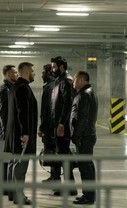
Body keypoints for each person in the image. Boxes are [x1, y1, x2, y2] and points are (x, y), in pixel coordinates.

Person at [4, 62, 37, 205]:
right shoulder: (23, 88)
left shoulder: (14, 87)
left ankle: (13, 194)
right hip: (21, 134)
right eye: (32, 71)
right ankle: (19, 196)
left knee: (13, 163)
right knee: (20, 165)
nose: (34, 74)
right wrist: (25, 133)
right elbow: (22, 111)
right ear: (26, 73)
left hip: (12, 133)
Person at [50, 56, 77, 196]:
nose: (52, 69)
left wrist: (61, 124)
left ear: (61, 67)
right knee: (62, 156)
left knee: (64, 156)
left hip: (62, 127)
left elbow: (68, 104)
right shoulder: (58, 81)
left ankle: (70, 188)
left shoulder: (66, 81)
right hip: (57, 126)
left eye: (54, 67)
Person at [70, 71, 98, 205]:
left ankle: (88, 197)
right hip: (88, 135)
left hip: (84, 136)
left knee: (85, 167)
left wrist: (76, 135)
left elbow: (82, 119)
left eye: (75, 79)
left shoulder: (84, 95)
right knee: (88, 166)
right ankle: (89, 194)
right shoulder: (88, 92)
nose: (73, 81)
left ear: (81, 80)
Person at [0, 65, 18, 194]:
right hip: (4, 131)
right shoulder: (4, 91)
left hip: (5, 130)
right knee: (2, 158)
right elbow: (2, 114)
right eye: (15, 73)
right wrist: (4, 133)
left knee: (4, 158)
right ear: (8, 75)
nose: (17, 75)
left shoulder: (9, 89)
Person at [38, 64, 56, 180]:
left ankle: (55, 177)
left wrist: (42, 128)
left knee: (51, 151)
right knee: (54, 151)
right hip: (54, 126)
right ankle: (54, 175)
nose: (41, 75)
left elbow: (46, 111)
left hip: (49, 127)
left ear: (49, 73)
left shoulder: (49, 88)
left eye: (43, 73)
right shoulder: (56, 85)